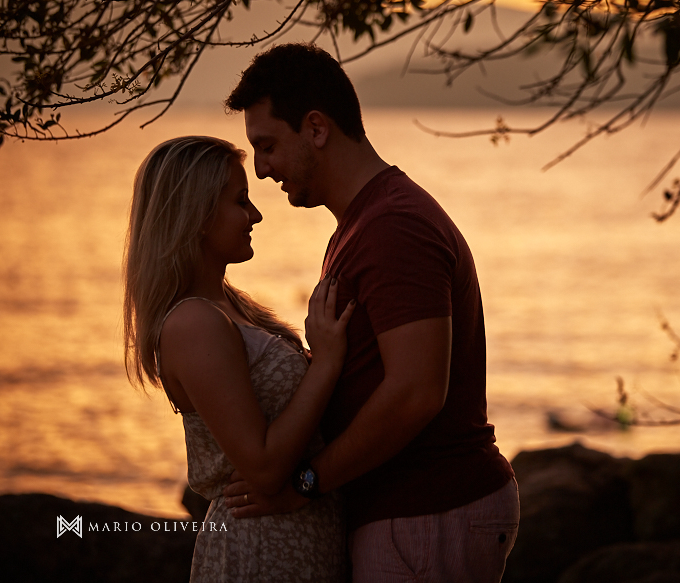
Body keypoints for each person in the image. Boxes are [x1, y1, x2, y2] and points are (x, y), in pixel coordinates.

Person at [222, 43, 519, 582]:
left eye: (267, 147)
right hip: (412, 516)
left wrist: (306, 484)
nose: (262, 170)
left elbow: (415, 392)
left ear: (316, 128)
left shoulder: (391, 227)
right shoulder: (363, 224)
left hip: (427, 514)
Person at [123, 135, 354, 582]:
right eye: (240, 201)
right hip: (261, 554)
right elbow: (264, 468)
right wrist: (325, 363)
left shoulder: (231, 307)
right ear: (198, 215)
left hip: (295, 546)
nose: (256, 215)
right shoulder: (194, 323)